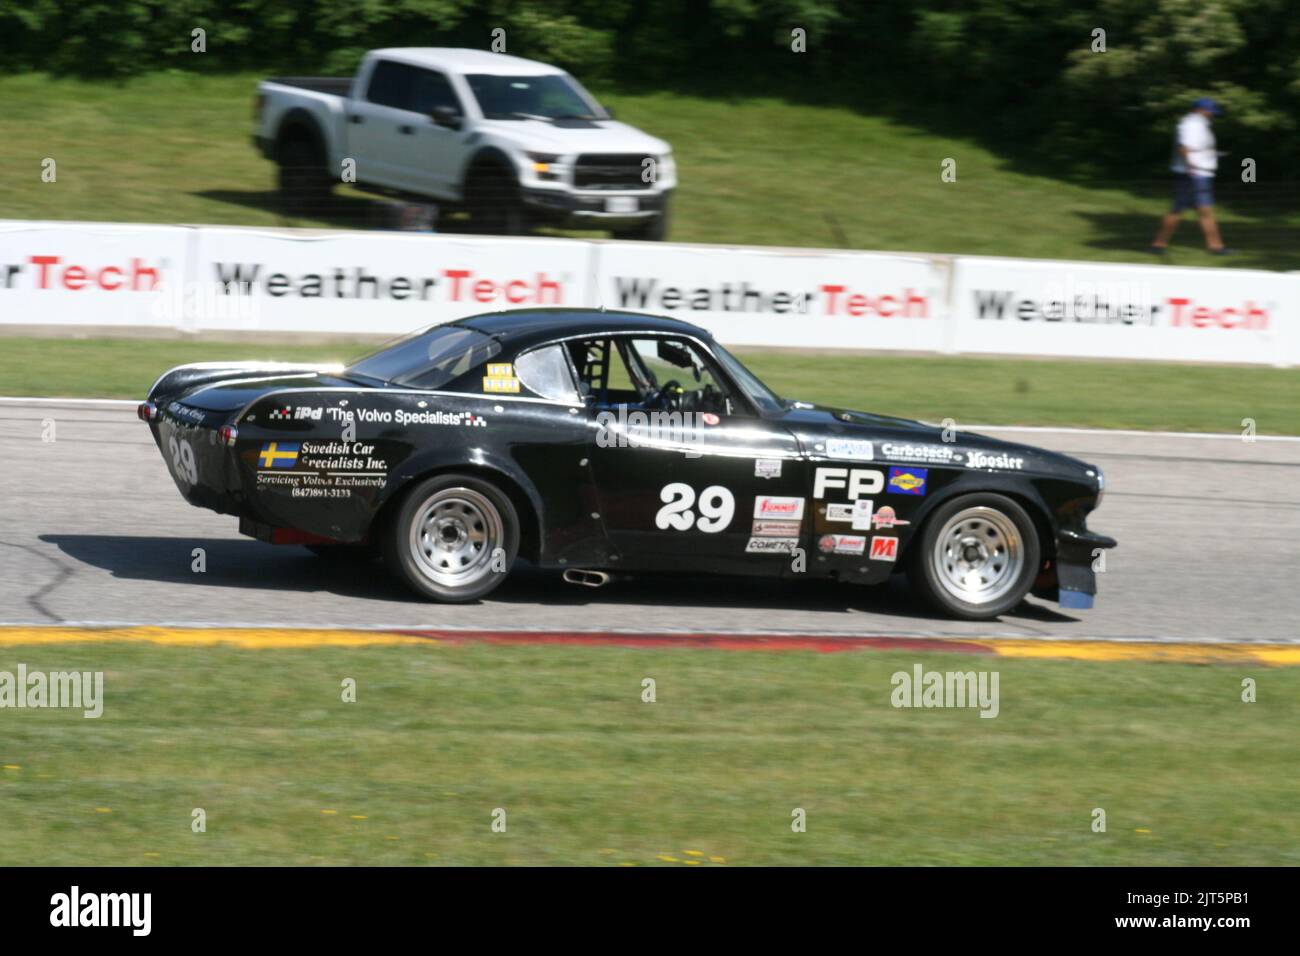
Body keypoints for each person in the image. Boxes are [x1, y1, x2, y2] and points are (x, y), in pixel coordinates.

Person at [1150, 97, 1231, 255]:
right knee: (1180, 209)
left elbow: (1195, 148)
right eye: (1210, 112)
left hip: (1200, 173)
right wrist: (1191, 166)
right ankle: (1158, 245)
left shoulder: (1199, 124)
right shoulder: (1192, 125)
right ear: (1199, 110)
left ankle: (1215, 246)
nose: (1212, 115)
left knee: (1201, 211)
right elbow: (1185, 147)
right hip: (1193, 174)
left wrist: (1213, 155)